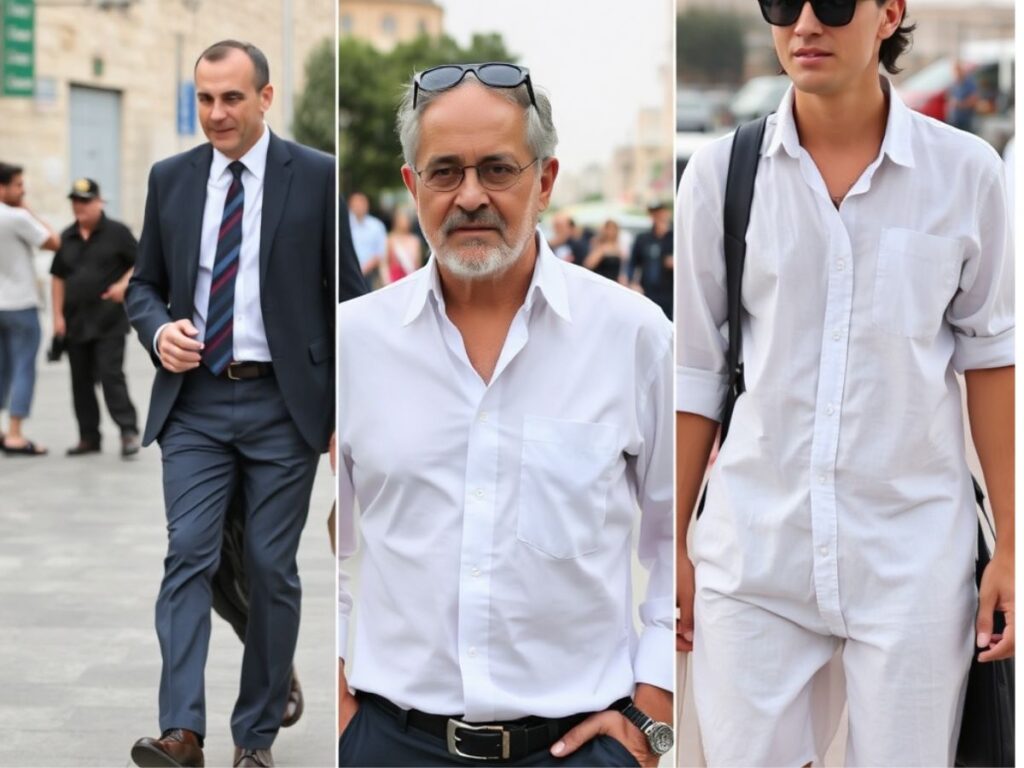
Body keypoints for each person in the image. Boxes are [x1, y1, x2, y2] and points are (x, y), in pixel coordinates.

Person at [676, 2, 1014, 766]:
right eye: (779, 3)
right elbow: (695, 372)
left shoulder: (967, 175)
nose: (803, 24)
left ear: (891, 11)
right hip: (753, 551)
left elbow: (990, 360)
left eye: (831, 1)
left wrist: (1013, 552)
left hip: (914, 556)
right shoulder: (721, 175)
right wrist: (673, 550)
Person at [337, 62, 675, 767]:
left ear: (544, 181)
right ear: (411, 186)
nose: (469, 197)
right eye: (443, 173)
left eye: (497, 169)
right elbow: (327, 542)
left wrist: (655, 709)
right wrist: (343, 713)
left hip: (579, 745)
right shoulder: (351, 344)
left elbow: (680, 540)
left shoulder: (633, 336)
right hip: (389, 742)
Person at [125, 40, 335, 768]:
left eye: (232, 98)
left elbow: (348, 302)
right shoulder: (171, 179)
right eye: (205, 99)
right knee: (188, 555)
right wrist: (159, 334)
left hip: (285, 407)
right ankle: (181, 731)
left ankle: (255, 740)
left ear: (265, 98)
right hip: (195, 404)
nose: (215, 113)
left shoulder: (315, 177)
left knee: (273, 568)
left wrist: (349, 415)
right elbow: (143, 285)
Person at [50, 178, 140, 457]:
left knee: (111, 376)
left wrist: (124, 285)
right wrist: (57, 317)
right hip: (76, 322)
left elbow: (141, 262)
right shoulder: (66, 237)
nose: (80, 207)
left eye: (85, 201)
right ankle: (89, 437)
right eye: (76, 201)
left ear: (99, 202)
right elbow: (58, 278)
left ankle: (127, 431)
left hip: (109, 321)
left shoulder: (118, 232)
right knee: (80, 382)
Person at [0, 162, 59, 456]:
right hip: (20, 303)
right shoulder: (15, 217)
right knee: (23, 367)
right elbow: (54, 241)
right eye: (18, 185)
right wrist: (28, 209)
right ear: (3, 187)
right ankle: (14, 434)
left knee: (1, 367)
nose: (23, 190)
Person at [628, 203, 673, 319]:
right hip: (647, 290)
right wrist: (632, 282)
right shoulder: (643, 239)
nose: (657, 216)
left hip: (670, 291)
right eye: (654, 213)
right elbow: (632, 263)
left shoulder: (676, 237)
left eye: (660, 212)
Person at [348, 191, 388, 289]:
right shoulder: (344, 225)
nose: (359, 206)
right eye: (356, 203)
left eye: (362, 203)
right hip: (348, 273)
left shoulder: (376, 226)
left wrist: (363, 269)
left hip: (370, 275)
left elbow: (381, 253)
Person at [583, 218, 627, 284]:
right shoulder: (597, 244)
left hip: (614, 282)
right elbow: (588, 264)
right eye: (609, 229)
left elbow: (621, 269)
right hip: (600, 281)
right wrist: (603, 251)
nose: (611, 232)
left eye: (613, 229)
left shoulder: (618, 247)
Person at [385, 208, 422, 282]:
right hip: (395, 279)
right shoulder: (390, 239)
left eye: (406, 220)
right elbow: (386, 263)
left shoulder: (414, 240)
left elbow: (418, 264)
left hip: (411, 278)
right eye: (401, 220)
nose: (404, 222)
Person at [947, 59, 979, 133]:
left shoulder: (969, 83)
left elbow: (974, 99)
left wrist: (960, 104)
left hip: (965, 120)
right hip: (954, 120)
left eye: (958, 70)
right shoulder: (954, 83)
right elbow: (950, 97)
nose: (956, 73)